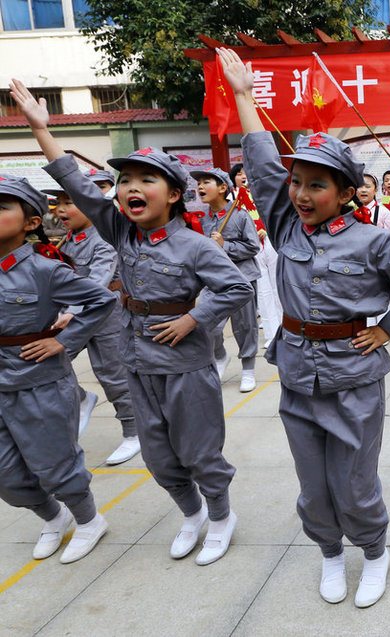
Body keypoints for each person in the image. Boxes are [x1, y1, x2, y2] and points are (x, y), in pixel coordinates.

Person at [217, 46, 390, 607]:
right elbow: (265, 163)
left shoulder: (374, 239)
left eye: (317, 185)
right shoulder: (286, 225)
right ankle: (329, 553)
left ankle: (373, 551)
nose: (301, 194)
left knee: (355, 484)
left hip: (355, 376)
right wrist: (245, 95)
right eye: (299, 184)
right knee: (313, 486)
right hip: (297, 372)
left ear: (346, 192)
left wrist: (389, 328)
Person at [13, 78, 255, 567]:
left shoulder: (195, 245)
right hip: (137, 359)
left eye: (146, 180)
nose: (130, 189)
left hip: (186, 364)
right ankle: (191, 515)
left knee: (200, 452)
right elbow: (80, 185)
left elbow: (237, 288)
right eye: (125, 181)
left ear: (173, 195)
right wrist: (42, 129)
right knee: (159, 456)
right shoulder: (121, 228)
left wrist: (193, 320)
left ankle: (221, 515)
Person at [0, 173, 116, 563]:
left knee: (55, 466)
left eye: (2, 207)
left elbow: (101, 301)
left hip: (39, 381)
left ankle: (87, 520)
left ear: (31, 223)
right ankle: (54, 516)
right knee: (7, 476)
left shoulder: (45, 269)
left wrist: (62, 340)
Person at [44, 178, 140, 465]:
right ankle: (82, 398)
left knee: (113, 373)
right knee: (49, 362)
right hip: (69, 314)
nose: (61, 209)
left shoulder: (105, 238)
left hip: (104, 313)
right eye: (58, 203)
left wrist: (72, 309)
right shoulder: (67, 239)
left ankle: (133, 432)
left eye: (69, 202)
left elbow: (97, 282)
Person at [192, 167, 262, 391]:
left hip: (242, 279)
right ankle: (220, 356)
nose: (200, 186)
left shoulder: (239, 215)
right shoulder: (202, 220)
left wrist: (226, 245)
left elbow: (252, 246)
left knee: (245, 326)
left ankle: (249, 369)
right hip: (213, 282)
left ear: (223, 188)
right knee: (206, 323)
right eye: (199, 183)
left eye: (206, 182)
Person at [230, 163, 282, 349]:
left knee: (278, 287)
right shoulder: (231, 198)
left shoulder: (265, 193)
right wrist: (252, 233)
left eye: (247, 173)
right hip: (252, 247)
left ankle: (285, 329)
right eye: (239, 174)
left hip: (270, 241)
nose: (244, 176)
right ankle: (271, 333)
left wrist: (266, 229)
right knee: (263, 290)